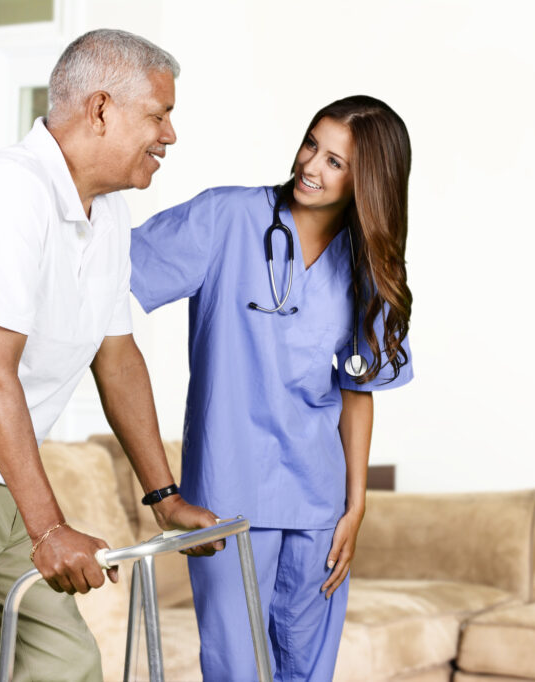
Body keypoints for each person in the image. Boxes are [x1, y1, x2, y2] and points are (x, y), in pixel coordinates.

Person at [0, 29, 220, 682]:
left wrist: (164, 495)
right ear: (99, 110)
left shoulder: (108, 212)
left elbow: (115, 358)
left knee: (64, 662)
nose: (169, 135)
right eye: (158, 114)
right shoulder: (12, 191)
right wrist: (49, 529)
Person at [129, 95, 414, 680]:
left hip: (319, 502)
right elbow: (105, 282)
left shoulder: (366, 266)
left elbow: (357, 392)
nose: (311, 166)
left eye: (337, 162)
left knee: (308, 670)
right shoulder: (225, 218)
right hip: (227, 498)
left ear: (369, 180)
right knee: (238, 669)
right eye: (313, 144)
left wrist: (355, 507)